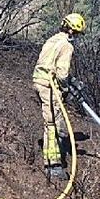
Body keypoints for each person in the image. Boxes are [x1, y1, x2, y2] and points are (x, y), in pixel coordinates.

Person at [32, 13, 86, 179]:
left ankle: (61, 145)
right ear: (71, 31)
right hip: (49, 86)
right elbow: (61, 74)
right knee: (51, 124)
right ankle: (53, 164)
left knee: (57, 118)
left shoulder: (52, 40)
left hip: (39, 81)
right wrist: (65, 88)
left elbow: (48, 64)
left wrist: (73, 81)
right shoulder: (67, 46)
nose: (76, 38)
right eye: (76, 34)